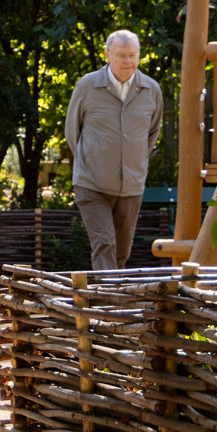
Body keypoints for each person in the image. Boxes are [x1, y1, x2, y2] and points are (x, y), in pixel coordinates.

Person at [64, 29, 165, 271]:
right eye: (122, 55)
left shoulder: (151, 90)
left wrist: (135, 161)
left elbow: (152, 134)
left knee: (121, 250)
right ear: (108, 55)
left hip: (131, 185)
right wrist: (91, 161)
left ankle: (112, 294)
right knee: (105, 243)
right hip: (92, 183)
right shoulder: (88, 86)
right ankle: (107, 301)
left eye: (133, 55)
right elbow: (72, 131)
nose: (128, 61)